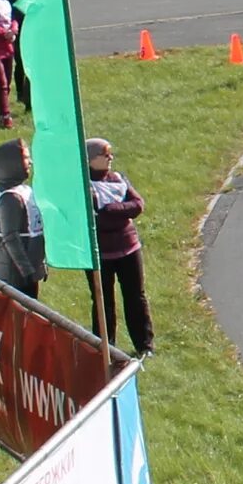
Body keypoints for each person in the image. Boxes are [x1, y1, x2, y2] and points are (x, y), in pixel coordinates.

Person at [87, 137, 152, 356]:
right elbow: (99, 221)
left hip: (129, 247)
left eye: (110, 153)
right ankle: (105, 347)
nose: (110, 158)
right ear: (90, 160)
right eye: (104, 155)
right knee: (103, 300)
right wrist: (120, 213)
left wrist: (111, 209)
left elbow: (137, 205)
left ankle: (144, 345)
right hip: (100, 253)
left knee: (136, 296)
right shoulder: (86, 187)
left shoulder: (118, 178)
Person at [0, 139, 46, 298]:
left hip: (24, 264)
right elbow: (10, 237)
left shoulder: (23, 190)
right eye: (26, 158)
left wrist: (38, 264)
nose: (30, 162)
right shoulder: (11, 198)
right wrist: (26, 269)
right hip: (13, 266)